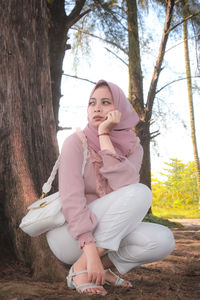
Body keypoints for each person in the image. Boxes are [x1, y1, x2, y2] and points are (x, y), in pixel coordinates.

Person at [46, 80, 175, 296]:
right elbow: (72, 200)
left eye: (106, 102)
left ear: (120, 110)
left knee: (163, 240)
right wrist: (90, 249)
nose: (96, 108)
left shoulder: (134, 147)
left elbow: (125, 187)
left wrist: (104, 135)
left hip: (107, 234)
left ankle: (95, 268)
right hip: (69, 236)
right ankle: (82, 268)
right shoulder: (75, 142)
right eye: (92, 103)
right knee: (141, 192)